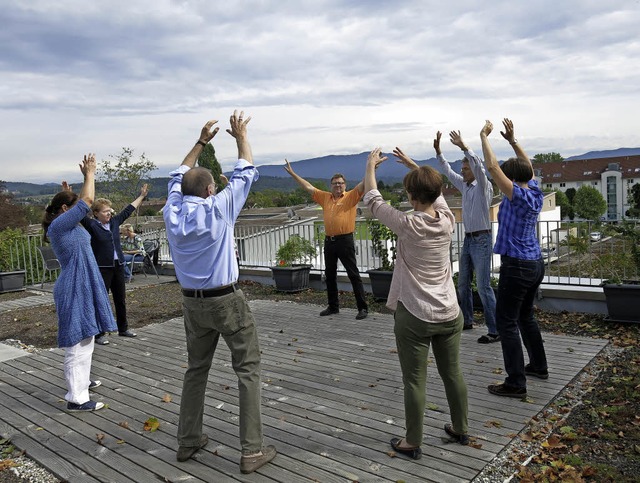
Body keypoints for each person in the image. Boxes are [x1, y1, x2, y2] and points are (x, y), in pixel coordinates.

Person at [163, 111, 276, 473]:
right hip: (226, 300)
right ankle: (251, 450)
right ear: (210, 189)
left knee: (196, 369)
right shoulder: (219, 208)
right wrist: (241, 136)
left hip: (191, 303)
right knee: (247, 368)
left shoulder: (172, 211)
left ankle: (188, 440)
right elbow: (246, 172)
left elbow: (177, 175)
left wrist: (200, 142)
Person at [363, 146, 469, 459]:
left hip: (416, 315)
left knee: (414, 380)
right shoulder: (447, 220)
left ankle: (412, 441)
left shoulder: (408, 224)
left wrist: (370, 165)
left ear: (411, 196)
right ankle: (461, 428)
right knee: (453, 373)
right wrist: (416, 167)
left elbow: (372, 198)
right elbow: (434, 194)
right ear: (436, 192)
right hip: (450, 312)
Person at [42, 154, 117, 412]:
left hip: (83, 283)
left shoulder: (66, 223)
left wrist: (67, 194)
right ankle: (77, 397)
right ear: (65, 211)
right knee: (78, 342)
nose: (78, 212)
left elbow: (79, 205)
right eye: (71, 208)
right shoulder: (58, 227)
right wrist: (90, 175)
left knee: (88, 337)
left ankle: (82, 382)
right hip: (74, 286)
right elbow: (86, 202)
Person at [480, 118, 548, 399]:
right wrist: (512, 141)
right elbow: (526, 168)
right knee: (526, 316)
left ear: (512, 178)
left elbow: (493, 168)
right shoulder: (535, 192)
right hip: (534, 264)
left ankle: (516, 382)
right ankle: (539, 366)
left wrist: (484, 137)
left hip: (517, 265)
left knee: (506, 321)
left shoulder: (518, 195)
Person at [434, 131, 499, 343]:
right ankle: (468, 320)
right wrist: (438, 152)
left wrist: (465, 147)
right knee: (462, 283)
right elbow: (448, 172)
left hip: (482, 240)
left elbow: (481, 167)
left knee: (483, 286)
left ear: (472, 169)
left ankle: (495, 330)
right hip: (469, 240)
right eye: (462, 168)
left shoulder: (483, 186)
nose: (462, 171)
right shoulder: (465, 185)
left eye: (465, 168)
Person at [284, 161, 368, 319]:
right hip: (329, 241)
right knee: (330, 275)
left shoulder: (351, 196)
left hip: (345, 240)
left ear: (345, 185)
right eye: (335, 183)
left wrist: (372, 167)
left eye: (341, 183)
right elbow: (308, 187)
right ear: (331, 185)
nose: (338, 186)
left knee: (353, 274)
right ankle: (333, 306)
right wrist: (293, 174)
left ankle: (362, 308)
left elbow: (364, 183)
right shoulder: (325, 198)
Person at [81, 184, 149, 344]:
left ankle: (123, 328)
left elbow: (128, 210)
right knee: (101, 300)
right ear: (96, 213)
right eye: (105, 211)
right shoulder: (91, 225)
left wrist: (141, 196)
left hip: (118, 266)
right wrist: (68, 194)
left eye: (110, 211)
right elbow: (80, 210)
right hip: (102, 269)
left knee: (121, 299)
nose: (109, 214)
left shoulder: (114, 222)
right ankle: (99, 334)